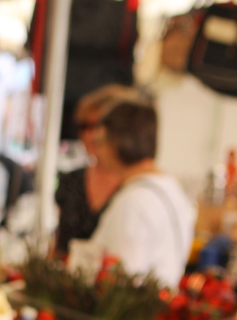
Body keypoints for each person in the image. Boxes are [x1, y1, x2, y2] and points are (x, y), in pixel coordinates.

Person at [86, 101, 196, 288]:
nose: (97, 150)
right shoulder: (172, 188)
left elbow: (122, 281)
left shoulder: (134, 202)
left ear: (117, 143)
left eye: (99, 141)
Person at [55, 84, 150, 255]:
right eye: (85, 126)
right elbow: (58, 244)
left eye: (98, 126)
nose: (92, 135)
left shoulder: (134, 186)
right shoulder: (71, 180)